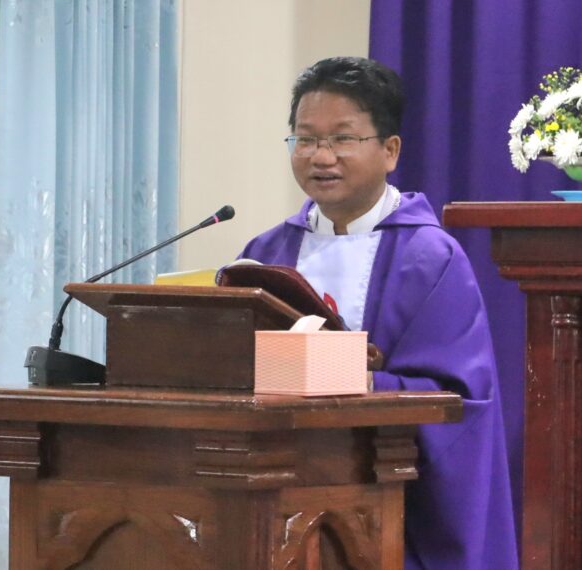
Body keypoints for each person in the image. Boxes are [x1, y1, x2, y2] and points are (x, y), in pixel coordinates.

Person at [239, 57, 519, 569]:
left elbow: (457, 402)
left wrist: (346, 377)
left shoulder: (429, 258)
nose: (321, 157)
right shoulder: (265, 253)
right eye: (305, 139)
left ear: (390, 151)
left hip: (384, 508)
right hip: (273, 495)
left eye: (342, 139)